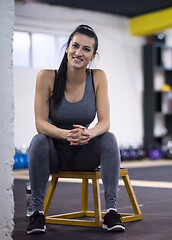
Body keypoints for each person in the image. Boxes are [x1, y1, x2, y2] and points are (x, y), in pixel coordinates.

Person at [26, 24, 125, 234]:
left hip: (84, 154)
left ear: (93, 55)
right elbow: (40, 123)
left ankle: (111, 212)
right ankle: (37, 213)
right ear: (67, 48)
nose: (79, 53)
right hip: (54, 155)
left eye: (86, 49)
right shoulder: (46, 77)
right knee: (38, 140)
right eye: (75, 46)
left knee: (109, 138)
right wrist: (66, 134)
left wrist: (89, 133)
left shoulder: (98, 77)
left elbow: (105, 122)